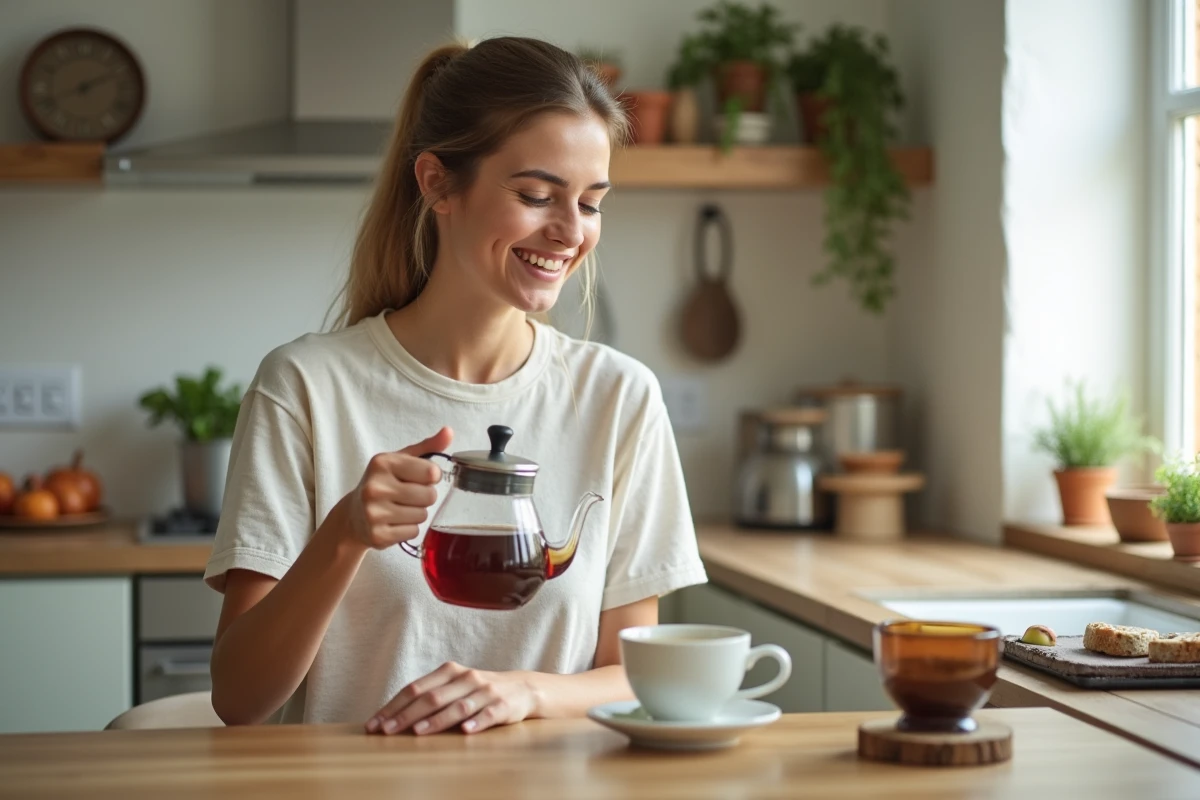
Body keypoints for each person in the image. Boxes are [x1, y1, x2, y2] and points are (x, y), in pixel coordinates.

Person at [204, 36, 707, 735]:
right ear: (437, 182)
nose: (569, 232)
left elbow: (632, 672)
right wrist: (343, 535)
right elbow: (239, 698)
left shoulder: (618, 398)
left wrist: (526, 692)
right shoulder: (306, 388)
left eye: (590, 203)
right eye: (537, 195)